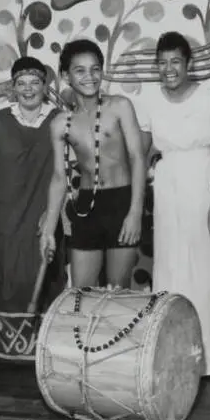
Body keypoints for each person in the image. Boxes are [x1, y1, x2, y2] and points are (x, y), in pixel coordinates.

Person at [136, 31, 210, 377]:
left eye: (175, 61)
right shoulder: (149, 100)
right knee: (171, 263)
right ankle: (172, 348)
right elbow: (143, 152)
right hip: (167, 187)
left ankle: (209, 354)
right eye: (162, 63)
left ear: (188, 63)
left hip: (206, 182)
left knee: (206, 267)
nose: (168, 69)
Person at [0, 56, 67, 364]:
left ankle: (42, 346)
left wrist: (54, 214)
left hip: (42, 211)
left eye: (35, 83)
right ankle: (2, 346)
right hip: (4, 211)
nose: (28, 90)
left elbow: (63, 173)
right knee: (4, 273)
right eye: (21, 84)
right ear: (13, 88)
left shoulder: (59, 118)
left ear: (45, 86)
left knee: (41, 271)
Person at [39, 39, 146, 289]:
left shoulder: (119, 106)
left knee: (117, 291)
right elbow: (58, 177)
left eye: (95, 69)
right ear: (66, 76)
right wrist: (49, 230)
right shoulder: (60, 123)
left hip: (122, 203)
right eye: (80, 70)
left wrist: (135, 213)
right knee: (81, 292)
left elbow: (137, 157)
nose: (90, 76)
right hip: (85, 207)